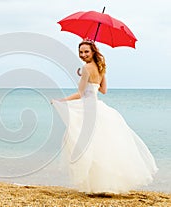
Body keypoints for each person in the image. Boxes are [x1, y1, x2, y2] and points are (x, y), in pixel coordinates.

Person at [52, 39, 158, 194]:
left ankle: (95, 185)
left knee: (85, 145)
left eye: (86, 51)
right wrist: (85, 75)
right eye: (81, 52)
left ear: (93, 51)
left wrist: (60, 100)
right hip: (98, 108)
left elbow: (80, 94)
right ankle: (102, 185)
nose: (83, 55)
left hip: (88, 109)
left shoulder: (86, 68)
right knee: (100, 146)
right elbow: (103, 90)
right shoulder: (101, 67)